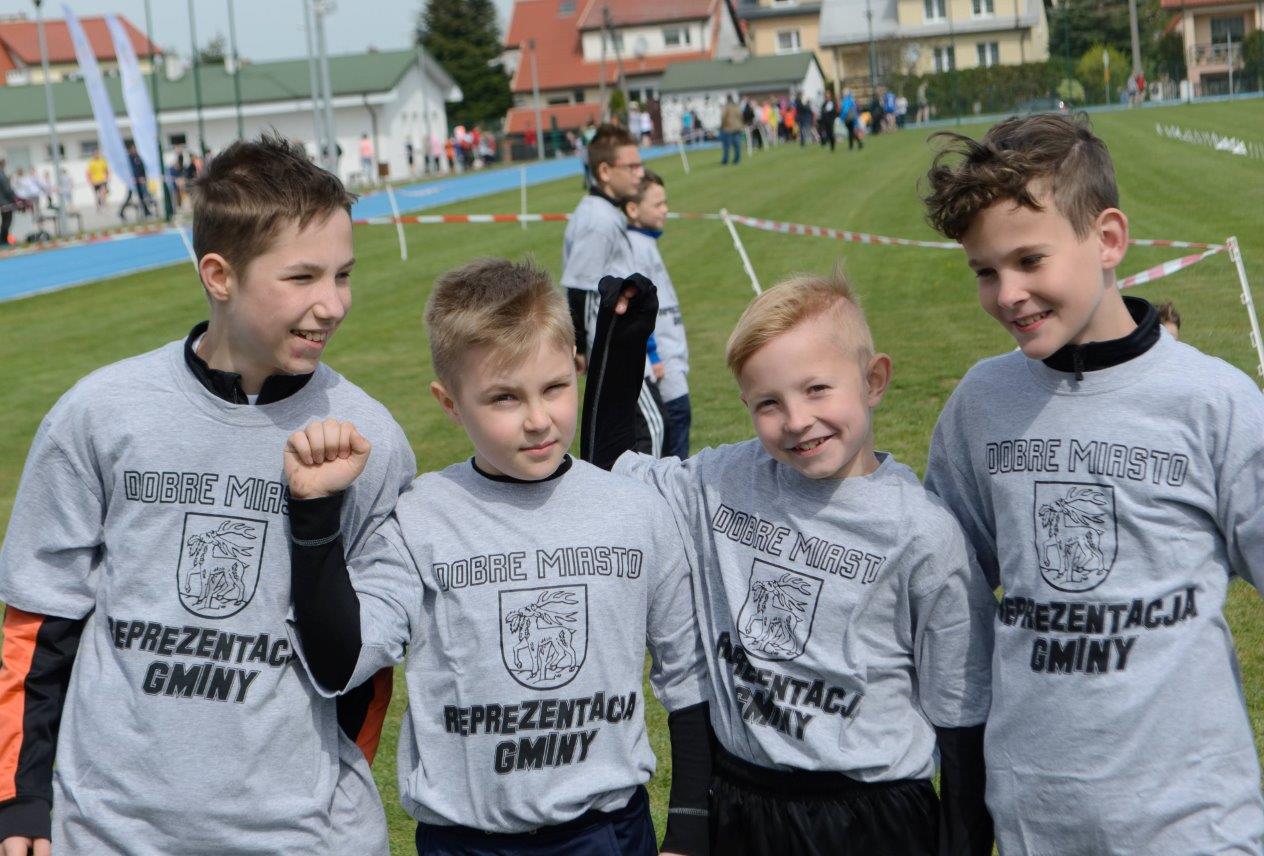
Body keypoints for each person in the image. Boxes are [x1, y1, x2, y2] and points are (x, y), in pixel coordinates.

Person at [0, 134, 412, 855]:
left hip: (304, 838)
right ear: (219, 274)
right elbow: (41, 619)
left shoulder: (368, 439)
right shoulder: (102, 414)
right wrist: (22, 800)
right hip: (113, 833)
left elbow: (367, 674)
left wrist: (322, 792)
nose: (332, 303)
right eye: (302, 277)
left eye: (343, 275)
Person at [281, 258, 709, 856]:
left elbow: (688, 678)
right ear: (450, 402)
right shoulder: (419, 518)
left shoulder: (635, 511)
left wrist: (689, 826)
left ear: (576, 368)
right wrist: (314, 514)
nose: (538, 420)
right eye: (504, 398)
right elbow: (338, 663)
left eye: (554, 388)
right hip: (465, 841)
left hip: (606, 832)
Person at [922, 113, 1264, 854]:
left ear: (1107, 239)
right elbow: (948, 596)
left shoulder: (1214, 402)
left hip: (1194, 821)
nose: (1008, 293)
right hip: (1035, 816)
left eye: (1029, 260)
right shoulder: (981, 404)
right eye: (985, 271)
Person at [583, 272, 996, 856]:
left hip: (872, 818)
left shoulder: (923, 533)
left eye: (818, 389)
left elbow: (962, 715)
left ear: (874, 380)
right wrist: (624, 338)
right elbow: (608, 471)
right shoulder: (723, 481)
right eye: (769, 403)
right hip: (740, 802)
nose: (797, 420)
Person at [561, 123, 666, 455]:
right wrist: (580, 346)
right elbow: (579, 287)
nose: (640, 173)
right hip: (614, 339)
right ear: (605, 171)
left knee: (627, 430)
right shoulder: (598, 220)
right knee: (652, 427)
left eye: (640, 165)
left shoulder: (605, 212)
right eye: (631, 166)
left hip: (615, 337)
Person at [624, 170, 692, 459]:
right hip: (661, 358)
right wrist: (652, 354)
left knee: (677, 420)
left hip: (669, 352)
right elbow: (637, 307)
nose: (665, 210)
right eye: (658, 204)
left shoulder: (646, 242)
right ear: (633, 209)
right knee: (673, 421)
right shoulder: (634, 246)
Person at [118, 143, 153, 221]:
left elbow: (142, 168)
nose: (134, 150)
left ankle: (146, 211)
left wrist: (144, 178)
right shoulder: (129, 159)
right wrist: (136, 178)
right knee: (129, 197)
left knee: (141, 196)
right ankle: (121, 212)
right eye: (133, 148)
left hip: (140, 181)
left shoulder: (138, 157)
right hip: (133, 182)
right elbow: (131, 170)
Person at [0, 157, 18, 246]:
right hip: (5, 202)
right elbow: (6, 189)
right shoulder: (0, 175)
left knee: (5, 222)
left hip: (3, 201)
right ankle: (3, 241)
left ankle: (3, 240)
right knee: (6, 222)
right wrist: (14, 197)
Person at [719, 94, 743, 165]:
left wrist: (722, 126)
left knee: (726, 146)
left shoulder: (726, 107)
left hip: (728, 128)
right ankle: (737, 159)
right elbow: (741, 116)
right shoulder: (737, 106)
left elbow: (723, 117)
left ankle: (725, 160)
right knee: (737, 145)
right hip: (737, 128)